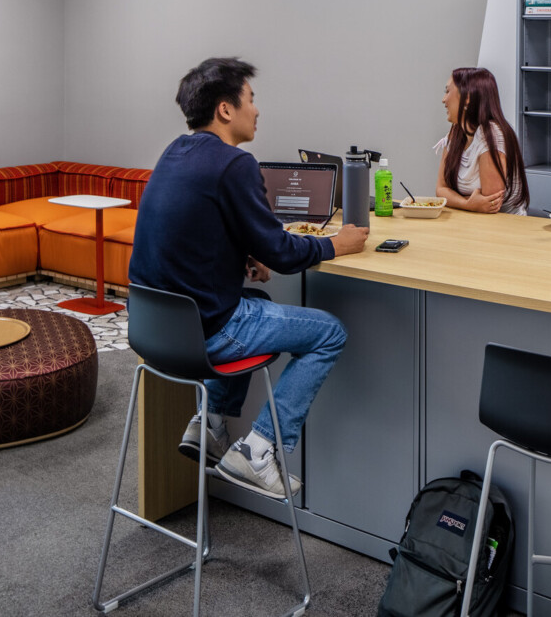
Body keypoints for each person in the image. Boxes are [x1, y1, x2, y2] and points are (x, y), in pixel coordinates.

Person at [128, 57, 370, 499]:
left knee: (248, 304)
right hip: (206, 335)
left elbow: (186, 235)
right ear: (225, 109)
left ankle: (211, 423)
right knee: (329, 333)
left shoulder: (172, 154)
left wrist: (240, 257)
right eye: (251, 100)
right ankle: (259, 450)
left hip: (153, 331)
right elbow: (280, 251)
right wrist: (339, 243)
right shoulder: (234, 163)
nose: (256, 110)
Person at [434, 67, 529, 216]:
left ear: (467, 98)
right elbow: (441, 190)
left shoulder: (491, 135)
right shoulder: (456, 132)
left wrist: (457, 200)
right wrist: (468, 203)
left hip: (504, 228)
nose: (443, 100)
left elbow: (490, 204)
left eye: (448, 91)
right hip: (472, 220)